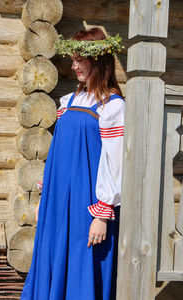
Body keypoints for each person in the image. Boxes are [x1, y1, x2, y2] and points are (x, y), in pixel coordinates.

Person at [20, 27, 125, 300]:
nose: (74, 65)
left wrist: (102, 215)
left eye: (80, 59)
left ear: (98, 60)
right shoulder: (70, 101)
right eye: (73, 59)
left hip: (85, 206)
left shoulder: (113, 107)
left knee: (80, 270)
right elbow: (56, 153)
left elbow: (114, 161)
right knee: (52, 263)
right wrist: (44, 199)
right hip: (57, 203)